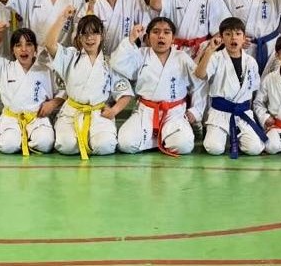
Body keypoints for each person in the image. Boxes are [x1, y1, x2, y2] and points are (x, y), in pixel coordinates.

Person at [44, 8, 133, 159]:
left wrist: (114, 111)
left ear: (102, 35)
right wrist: (63, 17)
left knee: (105, 146)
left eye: (94, 33)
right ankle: (80, 139)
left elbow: (125, 93)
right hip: (72, 113)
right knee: (66, 146)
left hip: (99, 114)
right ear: (78, 37)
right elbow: (50, 44)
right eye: (84, 33)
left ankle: (91, 140)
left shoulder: (109, 62)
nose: (89, 38)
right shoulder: (71, 56)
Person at [111, 18, 200, 156]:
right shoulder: (141, 55)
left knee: (184, 145)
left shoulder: (181, 57)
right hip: (145, 112)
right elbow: (117, 63)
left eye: (166, 32)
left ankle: (156, 139)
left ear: (173, 38)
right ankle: (160, 139)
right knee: (126, 143)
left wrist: (196, 110)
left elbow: (199, 83)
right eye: (156, 32)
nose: (161, 36)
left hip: (174, 114)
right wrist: (131, 40)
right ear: (147, 37)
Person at [0, 22, 56, 156]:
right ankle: (14, 139)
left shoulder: (46, 69)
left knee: (45, 143)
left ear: (35, 49)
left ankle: (25, 141)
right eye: (18, 45)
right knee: (8, 145)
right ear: (12, 50)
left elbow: (62, 92)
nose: (24, 49)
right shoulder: (4, 67)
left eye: (28, 44)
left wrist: (53, 103)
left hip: (37, 118)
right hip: (12, 119)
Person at [194, 18, 265, 158]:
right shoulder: (215, 57)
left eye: (238, 34)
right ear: (221, 38)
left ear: (244, 38)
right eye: (228, 34)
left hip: (242, 112)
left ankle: (237, 137)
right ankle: (222, 135)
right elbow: (200, 74)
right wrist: (209, 50)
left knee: (255, 149)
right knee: (214, 148)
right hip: (220, 113)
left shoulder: (251, 61)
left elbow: (252, 90)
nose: (233, 38)